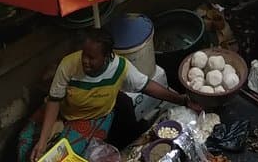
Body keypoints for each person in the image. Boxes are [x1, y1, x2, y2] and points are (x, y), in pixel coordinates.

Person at [27, 31, 196, 161]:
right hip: (64, 112)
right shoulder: (69, 64)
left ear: (107, 57)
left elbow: (146, 86)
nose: (85, 60)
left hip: (94, 117)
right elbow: (54, 99)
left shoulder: (120, 68)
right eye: (84, 54)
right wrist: (42, 141)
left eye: (92, 57)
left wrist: (180, 99)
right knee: (27, 145)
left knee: (67, 156)